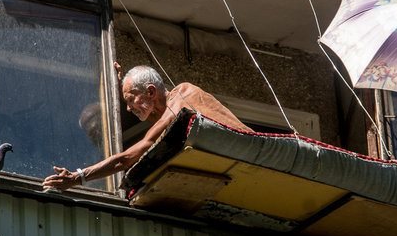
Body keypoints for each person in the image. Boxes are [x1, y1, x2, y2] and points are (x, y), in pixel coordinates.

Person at [42, 64, 250, 190]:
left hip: (247, 154)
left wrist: (79, 176)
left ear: (151, 92)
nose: (129, 109)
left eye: (130, 100)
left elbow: (127, 158)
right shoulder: (167, 115)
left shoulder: (183, 96)